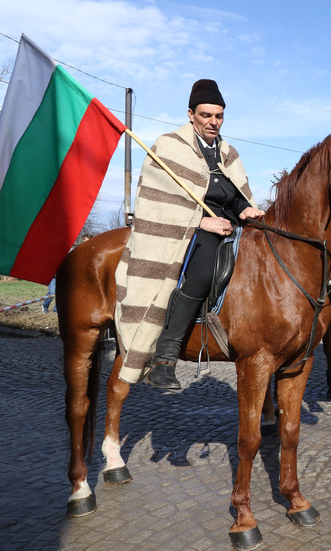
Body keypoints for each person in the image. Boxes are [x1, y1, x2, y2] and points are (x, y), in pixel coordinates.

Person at [114, 79, 265, 390]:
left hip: (228, 226)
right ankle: (164, 358)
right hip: (191, 229)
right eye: (206, 115)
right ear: (191, 114)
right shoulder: (169, 147)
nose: (213, 122)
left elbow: (232, 193)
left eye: (219, 116)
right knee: (202, 270)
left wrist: (245, 209)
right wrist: (201, 221)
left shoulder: (227, 152)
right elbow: (158, 201)